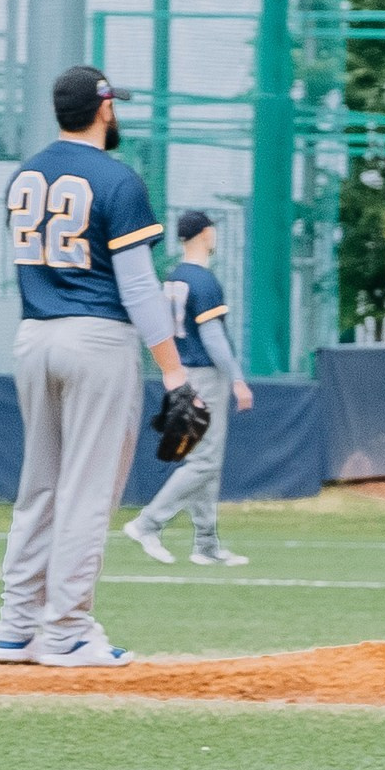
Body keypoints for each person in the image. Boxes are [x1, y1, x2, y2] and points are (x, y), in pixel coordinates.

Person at [0, 65, 200, 668]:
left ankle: (16, 626)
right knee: (86, 493)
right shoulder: (117, 179)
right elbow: (138, 287)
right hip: (97, 340)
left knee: (40, 489)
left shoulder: (24, 175)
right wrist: (174, 371)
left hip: (34, 335)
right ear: (104, 108)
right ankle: (65, 632)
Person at [123, 209, 255, 567]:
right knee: (205, 461)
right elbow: (213, 337)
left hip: (181, 372)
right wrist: (238, 379)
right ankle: (148, 522)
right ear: (204, 234)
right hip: (204, 375)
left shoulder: (174, 277)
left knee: (203, 461)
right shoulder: (203, 281)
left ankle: (206, 543)